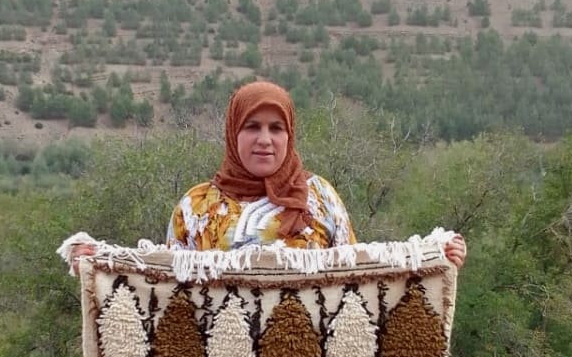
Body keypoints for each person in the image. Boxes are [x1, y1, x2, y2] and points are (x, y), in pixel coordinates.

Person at [66, 80, 466, 270]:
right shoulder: (195, 207)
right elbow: (164, 284)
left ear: (290, 135)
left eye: (277, 128)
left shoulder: (320, 197)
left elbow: (359, 274)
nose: (265, 140)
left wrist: (433, 259)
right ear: (232, 131)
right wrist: (102, 261)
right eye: (252, 127)